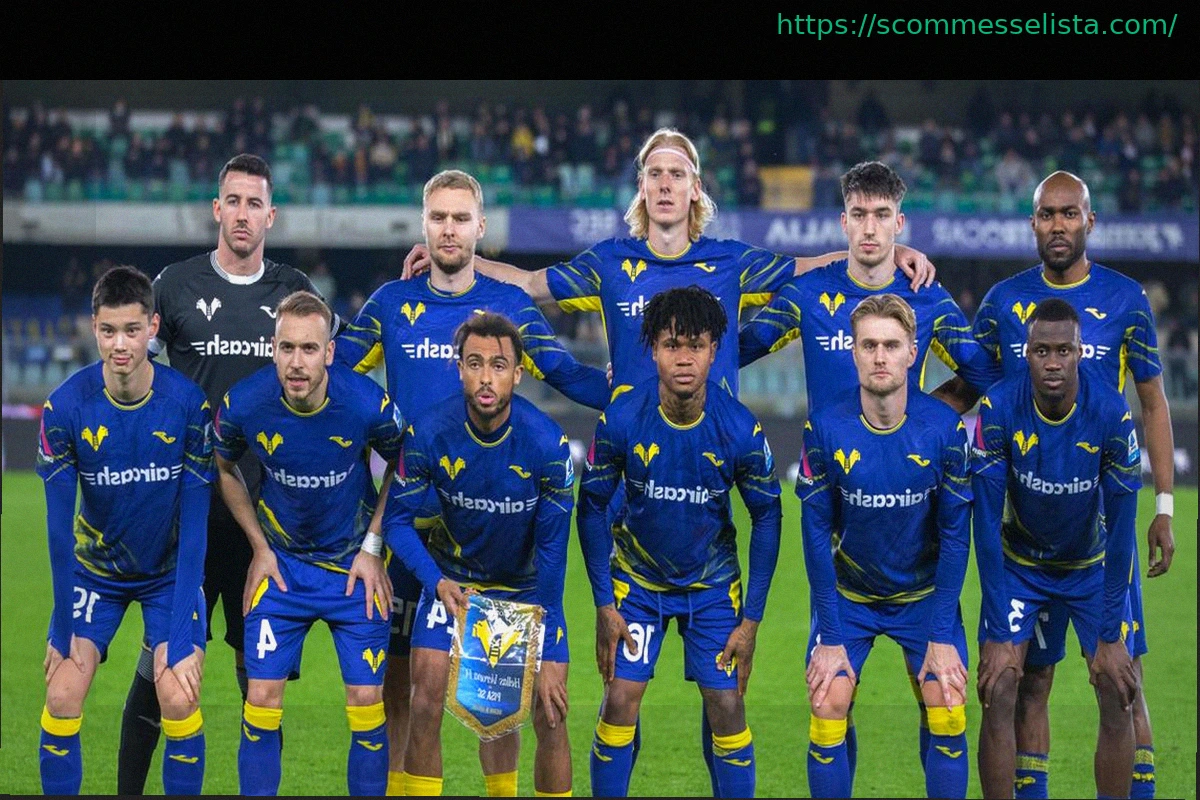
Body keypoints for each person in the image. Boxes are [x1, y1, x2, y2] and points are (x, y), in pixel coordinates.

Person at [406, 130, 935, 787]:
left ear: (695, 188)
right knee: (620, 693)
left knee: (722, 696)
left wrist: (885, 253)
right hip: (630, 479)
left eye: (677, 173)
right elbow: (532, 284)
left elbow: (808, 269)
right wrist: (455, 261)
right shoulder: (610, 261)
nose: (664, 183)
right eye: (653, 172)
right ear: (641, 186)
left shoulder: (730, 261)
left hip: (706, 478)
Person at [336, 168, 608, 796]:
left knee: (496, 699)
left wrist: (633, 394)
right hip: (409, 521)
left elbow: (566, 374)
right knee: (403, 687)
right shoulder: (390, 305)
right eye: (439, 218)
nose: (449, 229)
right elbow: (334, 376)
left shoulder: (509, 306)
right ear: (423, 225)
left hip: (490, 520)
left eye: (461, 218)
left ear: (480, 227)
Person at [739, 160, 999, 784]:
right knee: (830, 695)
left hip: (915, 537)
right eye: (859, 214)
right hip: (842, 531)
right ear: (843, 222)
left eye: (883, 216)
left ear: (899, 222)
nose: (871, 228)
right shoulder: (808, 294)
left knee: (944, 696)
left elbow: (990, 376)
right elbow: (733, 352)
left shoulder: (928, 298)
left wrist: (932, 416)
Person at [119, 153, 338, 794]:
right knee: (162, 663)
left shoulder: (294, 290)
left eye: (255, 203)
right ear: (217, 209)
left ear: (272, 215)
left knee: (258, 676)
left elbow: (336, 365)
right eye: (233, 201)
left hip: (264, 523)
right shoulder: (174, 285)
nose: (243, 214)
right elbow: (129, 367)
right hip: (185, 514)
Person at [970, 171, 1174, 799]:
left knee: (1123, 678)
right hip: (1025, 529)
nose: (1058, 225)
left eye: (1069, 213)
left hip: (1097, 530)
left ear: (1089, 221)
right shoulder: (1003, 301)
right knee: (1023, 682)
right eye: (1047, 214)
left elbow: (1152, 402)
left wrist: (1165, 504)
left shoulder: (1125, 298)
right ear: (1032, 223)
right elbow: (970, 387)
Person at [577, 286, 782, 798]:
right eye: (672, 345)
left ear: (714, 351)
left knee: (727, 704)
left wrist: (751, 621)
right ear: (653, 350)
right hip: (637, 583)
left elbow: (768, 516)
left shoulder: (739, 428)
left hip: (712, 587)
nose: (684, 358)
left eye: (696, 345)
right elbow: (592, 506)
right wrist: (604, 604)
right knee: (620, 698)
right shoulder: (622, 417)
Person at [212, 291, 403, 796]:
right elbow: (224, 467)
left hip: (352, 570)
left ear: (330, 353)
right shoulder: (244, 403)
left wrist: (373, 547)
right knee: (261, 698)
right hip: (282, 568)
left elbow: (404, 465)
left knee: (366, 702)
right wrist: (259, 546)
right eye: (287, 348)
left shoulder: (366, 403)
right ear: (273, 349)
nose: (297, 363)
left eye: (309, 349)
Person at [381, 312, 575, 797]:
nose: (486, 377)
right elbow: (397, 523)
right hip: (454, 581)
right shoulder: (429, 432)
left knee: (549, 713)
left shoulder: (546, 444)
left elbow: (553, 551)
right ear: (459, 369)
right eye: (475, 363)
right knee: (424, 699)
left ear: (518, 373)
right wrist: (436, 582)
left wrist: (549, 641)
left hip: (522, 588)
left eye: (498, 365)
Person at [36, 265, 213, 795]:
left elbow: (196, 529)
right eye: (109, 330)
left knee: (178, 695)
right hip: (97, 573)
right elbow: (58, 533)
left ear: (152, 327)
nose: (120, 344)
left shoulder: (187, 405)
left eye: (132, 330)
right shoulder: (65, 407)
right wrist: (61, 626)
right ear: (94, 327)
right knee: (61, 693)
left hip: (168, 575)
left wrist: (178, 634)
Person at [797, 294, 972, 799]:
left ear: (912, 353)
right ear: (853, 352)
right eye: (869, 345)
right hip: (850, 597)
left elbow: (956, 536)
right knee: (828, 699)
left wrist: (941, 634)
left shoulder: (943, 429)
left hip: (922, 596)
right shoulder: (825, 427)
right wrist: (831, 636)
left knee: (947, 701)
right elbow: (814, 534)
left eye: (891, 346)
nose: (880, 356)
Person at [972, 299, 1141, 799]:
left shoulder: (1110, 412)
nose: (1052, 362)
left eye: (1063, 350)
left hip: (1089, 566)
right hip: (1021, 565)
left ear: (1079, 353)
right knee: (999, 686)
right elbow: (985, 522)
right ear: (1025, 353)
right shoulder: (998, 407)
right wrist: (998, 630)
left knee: (1116, 689)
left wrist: (1110, 635)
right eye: (1041, 350)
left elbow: (1123, 528)